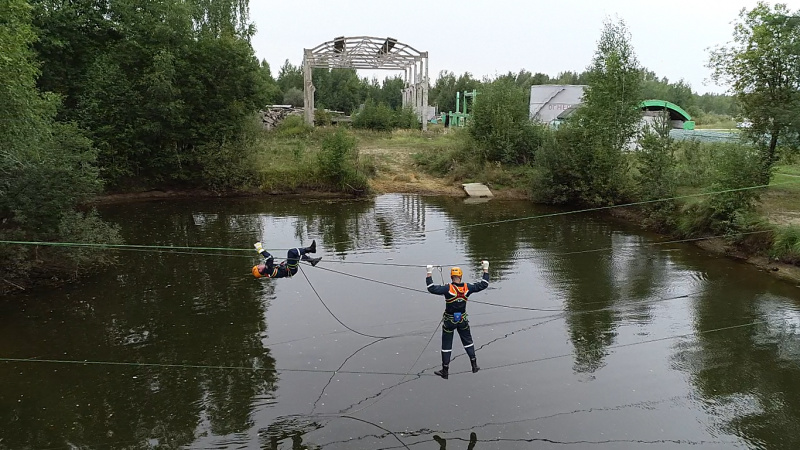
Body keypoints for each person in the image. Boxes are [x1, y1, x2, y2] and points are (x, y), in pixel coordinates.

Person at [426, 260, 489, 379]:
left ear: (451, 277)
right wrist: (485, 268)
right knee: (468, 341)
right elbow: (484, 284)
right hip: (462, 320)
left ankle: (445, 371)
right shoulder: (467, 288)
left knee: (447, 344)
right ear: (461, 276)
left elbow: (431, 288)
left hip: (449, 321)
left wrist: (429, 273)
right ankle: (474, 365)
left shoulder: (447, 289)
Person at [252, 240, 321, 279]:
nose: (259, 264)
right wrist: (260, 249)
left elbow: (270, 260)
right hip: (291, 269)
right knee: (291, 252)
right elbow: (270, 258)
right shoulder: (268, 270)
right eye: (258, 266)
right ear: (260, 270)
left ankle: (312, 261)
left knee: (295, 255)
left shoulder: (267, 271)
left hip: (289, 268)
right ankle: (310, 249)